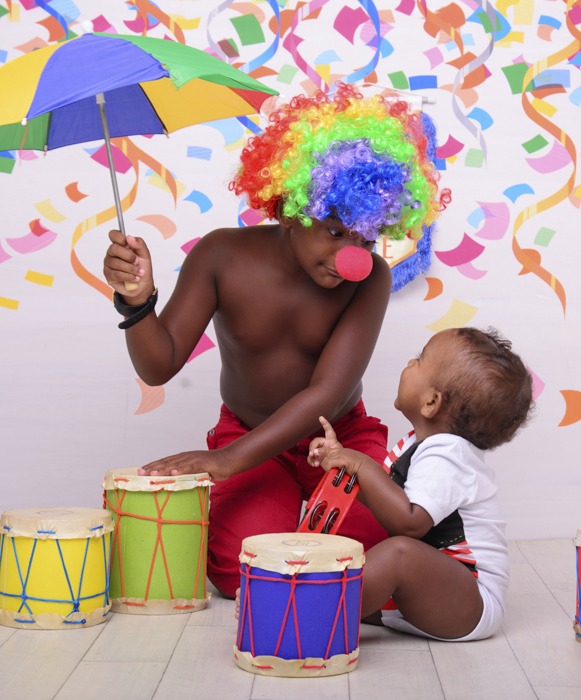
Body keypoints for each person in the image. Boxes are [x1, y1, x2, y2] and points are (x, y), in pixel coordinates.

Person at [101, 84, 450, 596]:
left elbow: (325, 395)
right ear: (290, 208)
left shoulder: (369, 278)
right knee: (236, 568)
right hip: (251, 435)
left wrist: (225, 462)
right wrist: (137, 302)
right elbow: (159, 365)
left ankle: (310, 541)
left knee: (371, 550)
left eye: (365, 238)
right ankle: (291, 530)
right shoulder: (220, 256)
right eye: (335, 231)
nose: (351, 257)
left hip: (338, 438)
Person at [307, 327, 533, 640]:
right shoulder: (420, 445)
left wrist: (359, 464)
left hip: (471, 600)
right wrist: (340, 461)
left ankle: (304, 617)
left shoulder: (448, 455)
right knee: (349, 567)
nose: (409, 364)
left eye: (419, 359)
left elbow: (409, 523)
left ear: (431, 402)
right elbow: (388, 501)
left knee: (399, 554)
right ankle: (305, 600)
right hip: (431, 593)